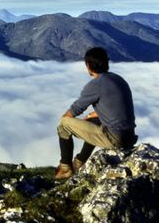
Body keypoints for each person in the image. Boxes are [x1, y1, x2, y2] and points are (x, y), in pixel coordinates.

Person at [55, 47, 137, 179]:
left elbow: (75, 110)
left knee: (63, 124)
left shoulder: (96, 84)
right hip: (129, 136)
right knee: (92, 121)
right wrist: (88, 117)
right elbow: (113, 110)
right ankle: (79, 162)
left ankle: (65, 169)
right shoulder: (118, 79)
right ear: (106, 62)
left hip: (115, 138)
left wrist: (67, 119)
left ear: (88, 65)